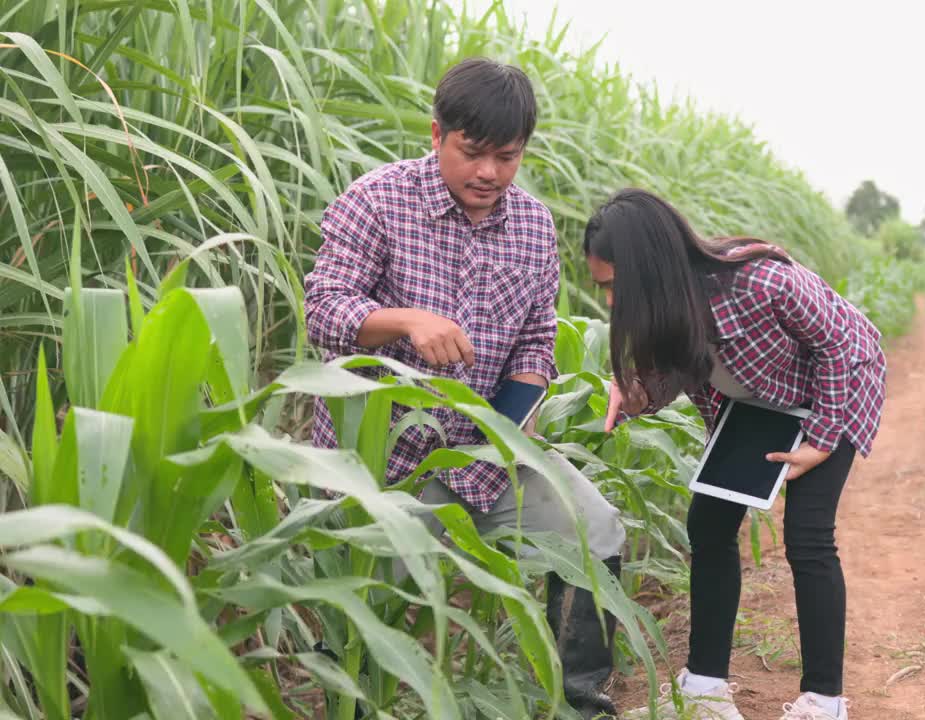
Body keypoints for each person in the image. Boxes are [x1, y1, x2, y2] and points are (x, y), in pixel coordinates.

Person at [304, 57, 626, 719]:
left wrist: (517, 417)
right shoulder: (378, 200)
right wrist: (406, 321)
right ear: (436, 135)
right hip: (380, 468)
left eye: (506, 157)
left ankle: (581, 703)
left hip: (486, 457)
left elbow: (537, 340)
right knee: (366, 612)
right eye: (472, 152)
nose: (488, 173)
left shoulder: (533, 226)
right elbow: (323, 310)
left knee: (596, 530)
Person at [584, 189, 887, 720]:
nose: (610, 302)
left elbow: (841, 344)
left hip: (832, 391)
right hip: (754, 407)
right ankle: (704, 686)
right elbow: (673, 375)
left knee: (809, 536)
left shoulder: (764, 282)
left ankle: (824, 700)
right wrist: (635, 396)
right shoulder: (667, 309)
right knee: (708, 524)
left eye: (614, 286)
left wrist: (820, 438)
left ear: (649, 269)